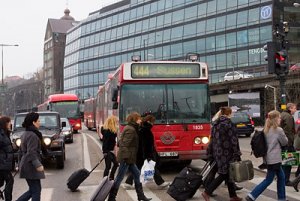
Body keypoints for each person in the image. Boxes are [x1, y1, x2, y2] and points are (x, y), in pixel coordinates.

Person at [107, 112, 151, 201]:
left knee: (137, 174)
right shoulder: (131, 129)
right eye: (138, 119)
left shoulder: (131, 128)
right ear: (134, 119)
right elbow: (123, 144)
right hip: (126, 158)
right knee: (119, 177)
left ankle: (140, 196)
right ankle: (111, 197)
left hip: (129, 157)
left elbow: (120, 142)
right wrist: (126, 157)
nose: (140, 120)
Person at [245, 110, 288, 201]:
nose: (280, 119)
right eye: (279, 118)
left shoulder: (266, 129)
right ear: (276, 119)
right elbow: (285, 142)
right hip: (275, 159)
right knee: (269, 180)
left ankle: (282, 198)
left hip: (268, 159)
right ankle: (252, 196)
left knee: (281, 177)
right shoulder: (278, 130)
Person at [201, 107, 242, 201]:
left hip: (218, 153)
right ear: (229, 114)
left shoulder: (215, 124)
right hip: (227, 153)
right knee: (224, 174)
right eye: (231, 113)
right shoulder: (229, 124)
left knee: (228, 174)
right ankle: (207, 192)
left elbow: (212, 140)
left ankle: (233, 196)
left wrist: (210, 152)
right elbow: (234, 140)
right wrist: (237, 152)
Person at [124, 114, 169, 189]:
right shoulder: (146, 130)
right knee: (151, 167)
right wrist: (148, 156)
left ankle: (128, 182)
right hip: (144, 154)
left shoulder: (142, 129)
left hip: (140, 153)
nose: (153, 124)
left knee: (138, 168)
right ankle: (160, 182)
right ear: (148, 121)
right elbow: (146, 144)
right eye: (152, 122)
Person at [16, 112, 45, 201]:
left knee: (33, 190)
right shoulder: (33, 135)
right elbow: (31, 152)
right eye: (38, 121)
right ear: (33, 122)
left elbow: (20, 151)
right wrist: (38, 165)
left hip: (26, 164)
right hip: (30, 166)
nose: (40, 122)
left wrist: (19, 164)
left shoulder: (25, 133)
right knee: (36, 190)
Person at [280, 102, 297, 186]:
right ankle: (286, 180)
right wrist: (290, 142)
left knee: (284, 162)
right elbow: (288, 131)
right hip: (288, 143)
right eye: (294, 108)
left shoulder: (282, 114)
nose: (295, 110)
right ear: (290, 108)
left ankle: (282, 178)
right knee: (289, 162)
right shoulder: (289, 117)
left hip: (283, 143)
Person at [0, 116, 14, 201]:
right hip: (2, 163)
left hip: (4, 163)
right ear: (4, 123)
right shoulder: (1, 134)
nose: (10, 124)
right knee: (10, 181)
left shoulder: (5, 133)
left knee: (2, 182)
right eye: (8, 122)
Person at [101, 115, 119, 180]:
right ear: (112, 122)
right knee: (108, 167)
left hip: (110, 151)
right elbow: (105, 142)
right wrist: (105, 152)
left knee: (116, 164)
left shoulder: (111, 130)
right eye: (116, 122)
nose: (117, 123)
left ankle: (111, 177)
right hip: (107, 151)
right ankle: (104, 180)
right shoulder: (108, 131)